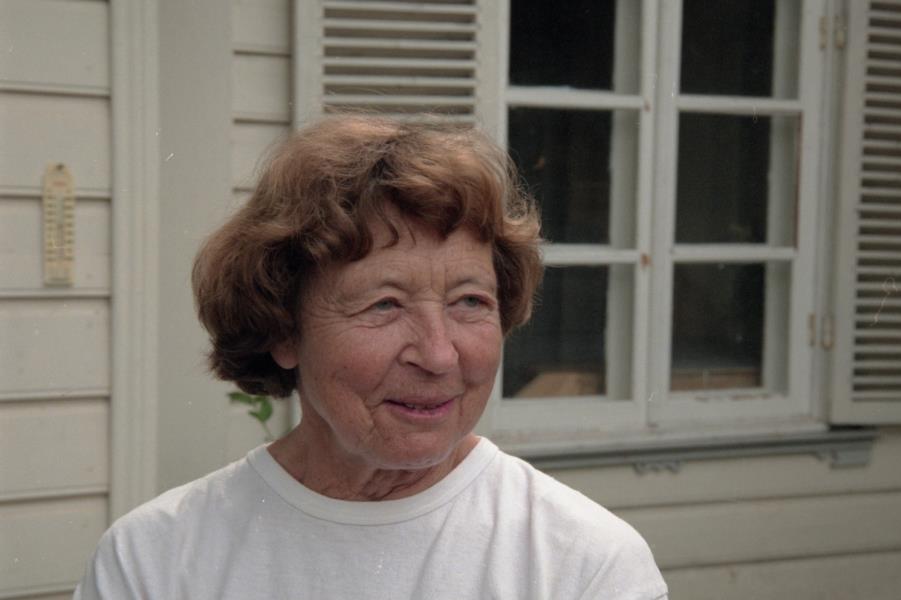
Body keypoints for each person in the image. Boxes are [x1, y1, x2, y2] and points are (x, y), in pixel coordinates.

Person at [74, 115, 668, 599]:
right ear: (283, 331)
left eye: (469, 301)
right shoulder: (154, 561)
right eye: (384, 305)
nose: (439, 354)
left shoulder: (584, 565)